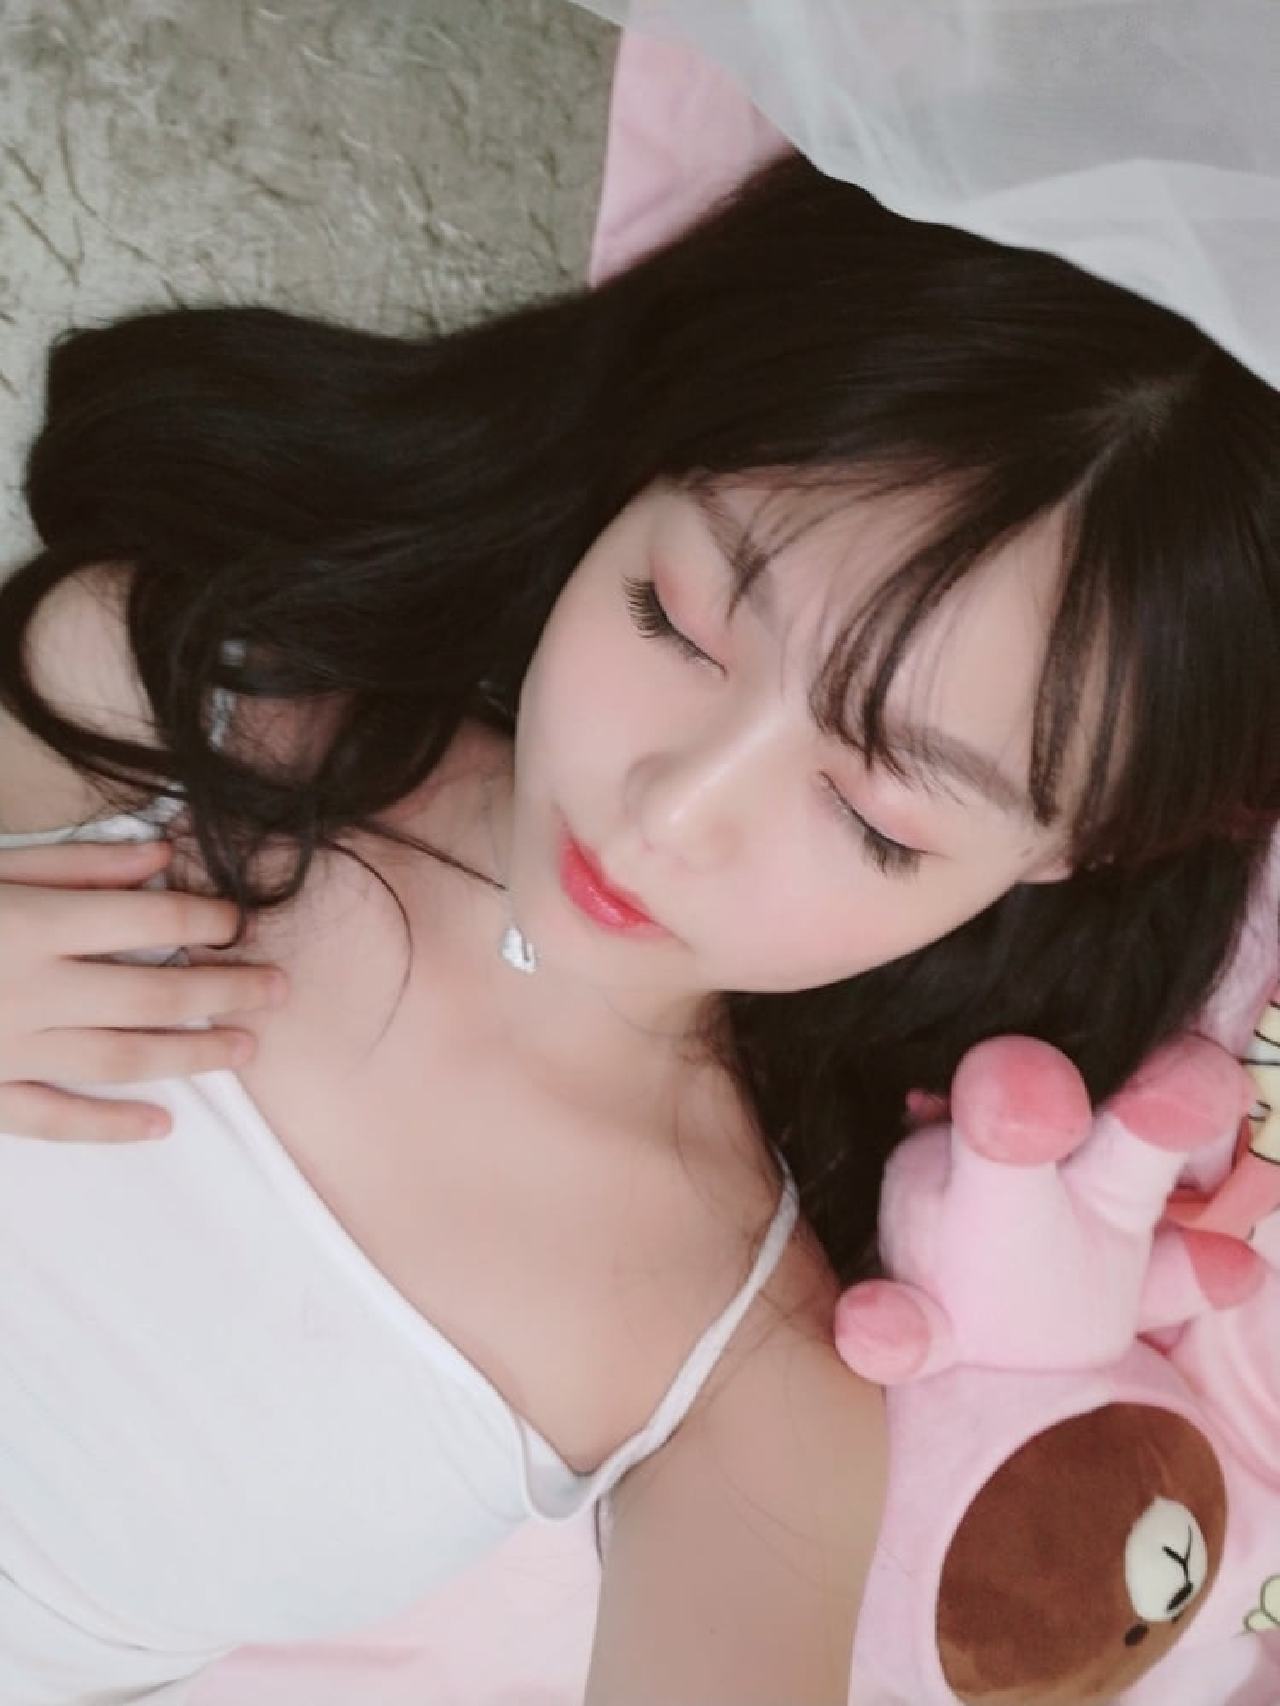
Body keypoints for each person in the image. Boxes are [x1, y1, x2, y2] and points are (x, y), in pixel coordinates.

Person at [0, 152, 1276, 1703]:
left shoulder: (755, 1395)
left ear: (1077, 851)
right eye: (675, 617)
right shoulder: (166, 691)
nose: (673, 810)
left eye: (875, 814)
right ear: (640, 469)